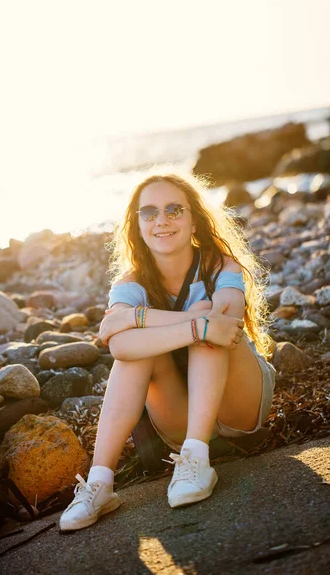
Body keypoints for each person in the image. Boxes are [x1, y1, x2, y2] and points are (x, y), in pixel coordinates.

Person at [60, 171, 276, 532]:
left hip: (240, 404)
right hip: (180, 415)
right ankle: (99, 483)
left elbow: (225, 323)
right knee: (145, 349)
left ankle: (195, 462)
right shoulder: (130, 284)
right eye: (150, 212)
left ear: (194, 220)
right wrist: (189, 324)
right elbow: (118, 344)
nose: (162, 219)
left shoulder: (220, 265)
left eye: (174, 209)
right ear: (137, 226)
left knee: (209, 327)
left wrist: (140, 320)